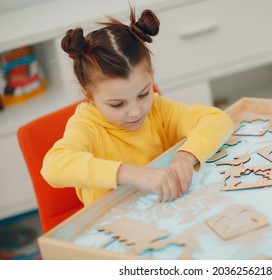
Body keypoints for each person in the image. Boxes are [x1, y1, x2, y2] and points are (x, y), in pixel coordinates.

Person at [41, 8, 233, 207]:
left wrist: (186, 156)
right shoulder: (87, 127)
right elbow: (53, 167)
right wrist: (130, 173)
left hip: (167, 206)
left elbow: (217, 119)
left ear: (151, 78)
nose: (136, 111)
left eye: (143, 94)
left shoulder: (157, 109)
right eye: (117, 104)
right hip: (114, 223)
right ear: (88, 95)